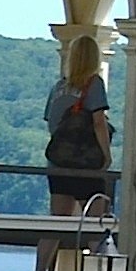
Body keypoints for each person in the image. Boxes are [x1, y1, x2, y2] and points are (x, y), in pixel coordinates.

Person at [44, 32, 116, 220]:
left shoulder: (59, 87)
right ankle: (97, 250)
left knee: (58, 221)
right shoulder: (93, 84)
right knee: (95, 221)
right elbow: (98, 122)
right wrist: (106, 156)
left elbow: (51, 123)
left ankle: (45, 251)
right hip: (85, 165)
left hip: (58, 163)